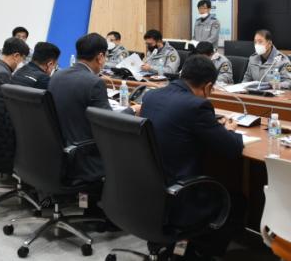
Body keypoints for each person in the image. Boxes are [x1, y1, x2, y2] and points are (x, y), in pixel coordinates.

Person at [141, 55, 244, 258]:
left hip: (147, 193)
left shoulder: (151, 96)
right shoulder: (196, 106)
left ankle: (186, 247)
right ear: (208, 87)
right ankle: (202, 253)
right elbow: (232, 148)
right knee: (237, 201)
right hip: (178, 198)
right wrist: (230, 130)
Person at [49, 33, 136, 184]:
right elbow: (109, 124)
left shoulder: (56, 76)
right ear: (100, 57)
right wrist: (133, 110)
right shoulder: (94, 83)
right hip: (85, 159)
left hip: (60, 154)